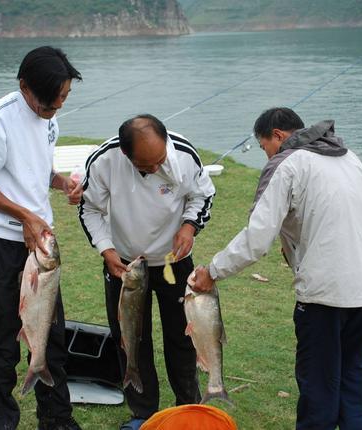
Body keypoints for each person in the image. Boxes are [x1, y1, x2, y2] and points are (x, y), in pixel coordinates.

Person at [191, 107, 362, 430]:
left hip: (325, 294)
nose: (266, 154)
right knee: (353, 377)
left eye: (263, 146)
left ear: (279, 136)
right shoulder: (349, 157)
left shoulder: (287, 164)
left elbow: (257, 238)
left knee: (318, 384)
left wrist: (212, 271)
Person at [0, 46, 84, 430]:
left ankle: (56, 420)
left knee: (51, 337)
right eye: (51, 102)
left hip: (40, 247)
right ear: (24, 88)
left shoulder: (49, 119)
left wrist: (62, 181)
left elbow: (36, 171)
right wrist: (24, 216)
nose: (58, 107)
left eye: (64, 98)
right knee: (1, 345)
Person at [78, 114, 216, 430]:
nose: (155, 169)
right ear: (127, 155)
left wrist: (189, 226)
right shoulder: (104, 160)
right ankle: (142, 412)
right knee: (130, 338)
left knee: (182, 337)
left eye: (159, 161)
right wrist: (106, 250)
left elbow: (202, 196)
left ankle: (188, 407)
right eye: (146, 166)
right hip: (125, 265)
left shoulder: (183, 154)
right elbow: (90, 209)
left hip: (173, 262)